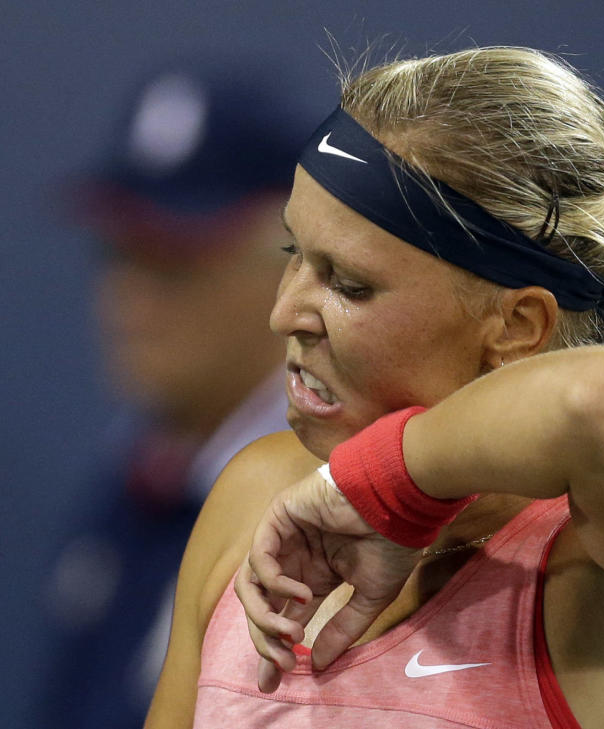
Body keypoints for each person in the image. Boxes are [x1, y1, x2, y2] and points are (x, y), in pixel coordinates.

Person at [146, 46, 604, 729]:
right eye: (293, 254)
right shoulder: (257, 495)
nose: (285, 314)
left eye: (348, 284)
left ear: (516, 326)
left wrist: (385, 484)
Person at [35, 62, 304, 728]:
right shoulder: (132, 481)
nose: (131, 299)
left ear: (291, 267)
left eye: (175, 260)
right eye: (118, 254)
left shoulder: (317, 517)